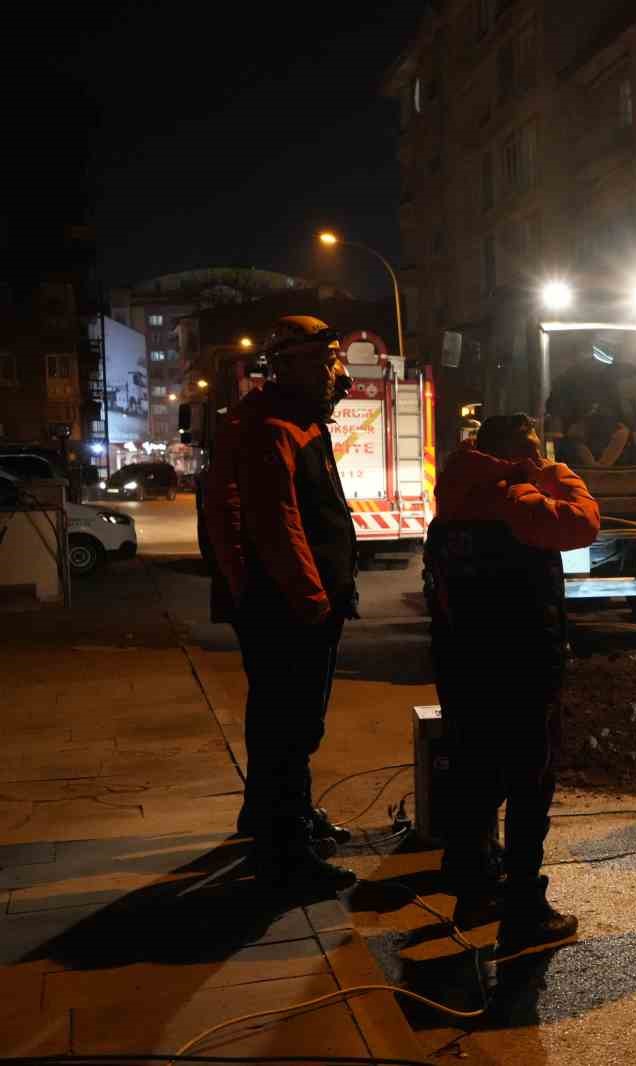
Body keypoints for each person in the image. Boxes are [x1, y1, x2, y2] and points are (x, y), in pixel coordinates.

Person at [426, 412, 600, 953]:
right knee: (530, 780)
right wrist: (553, 470)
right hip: (521, 663)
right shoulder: (517, 501)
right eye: (532, 449)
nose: (541, 458)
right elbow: (584, 521)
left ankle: (474, 888)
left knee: (475, 771)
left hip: (463, 661)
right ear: (514, 454)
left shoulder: (456, 497)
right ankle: (525, 906)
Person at [236, 316, 360, 893]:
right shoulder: (275, 428)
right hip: (291, 610)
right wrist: (312, 597)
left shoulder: (302, 423)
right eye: (326, 361)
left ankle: (278, 820)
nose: (337, 374)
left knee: (286, 721)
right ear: (289, 366)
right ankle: (287, 855)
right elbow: (279, 524)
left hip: (305, 604)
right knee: (289, 725)